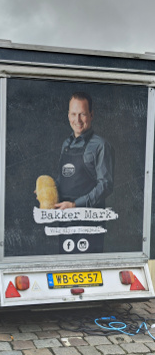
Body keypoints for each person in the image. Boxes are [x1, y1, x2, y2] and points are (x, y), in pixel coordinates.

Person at [55, 92, 115, 253]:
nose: (78, 120)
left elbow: (106, 185)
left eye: (82, 114)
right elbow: (63, 179)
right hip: (66, 220)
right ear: (68, 115)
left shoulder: (100, 145)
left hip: (89, 223)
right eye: (74, 114)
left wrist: (75, 205)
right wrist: (49, 189)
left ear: (91, 115)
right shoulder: (66, 144)